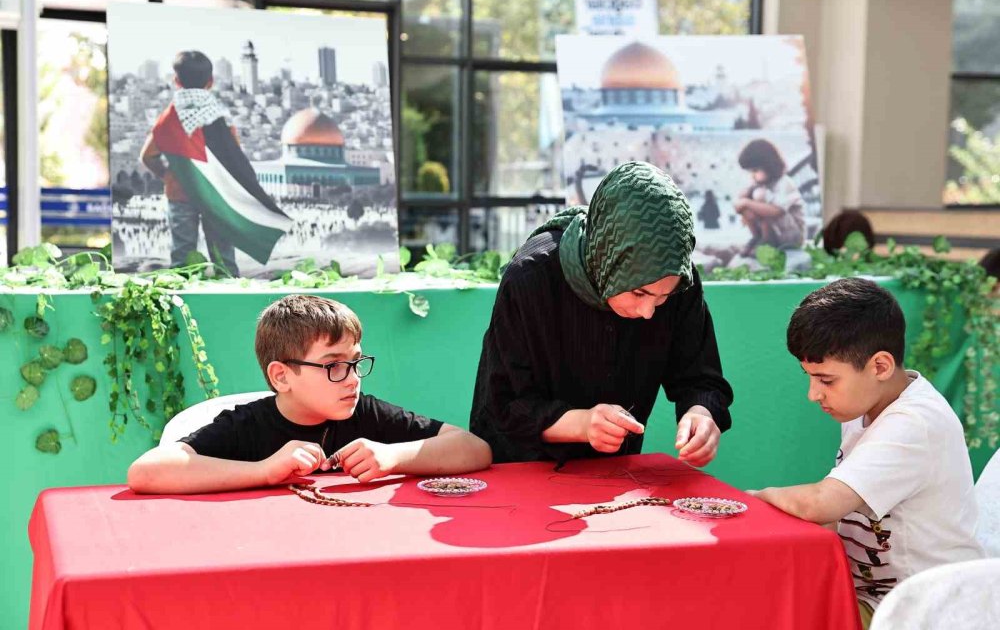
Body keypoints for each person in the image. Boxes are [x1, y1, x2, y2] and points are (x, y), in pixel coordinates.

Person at [749, 278, 985, 630]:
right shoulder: (866, 407)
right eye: (809, 378)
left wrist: (752, 500)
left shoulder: (914, 423)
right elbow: (833, 518)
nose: (814, 394)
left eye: (826, 381)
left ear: (879, 366)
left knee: (772, 625)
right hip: (875, 598)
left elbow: (822, 504)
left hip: (926, 613)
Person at [470, 161, 733, 466]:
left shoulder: (677, 280)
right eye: (639, 292)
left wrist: (701, 414)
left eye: (663, 297)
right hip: (519, 470)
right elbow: (503, 406)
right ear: (608, 259)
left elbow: (701, 378)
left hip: (612, 474)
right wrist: (582, 424)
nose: (649, 312)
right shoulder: (532, 277)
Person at [128, 295, 492, 494]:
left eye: (355, 362)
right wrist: (264, 471)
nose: (352, 379)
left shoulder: (365, 413)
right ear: (282, 376)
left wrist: (394, 456)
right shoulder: (246, 424)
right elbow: (146, 473)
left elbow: (475, 449)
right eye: (333, 365)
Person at [141, 51, 291, 277]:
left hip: (180, 196)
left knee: (182, 259)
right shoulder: (220, 118)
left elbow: (147, 155)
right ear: (210, 82)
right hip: (218, 198)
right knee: (223, 258)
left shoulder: (168, 119)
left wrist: (170, 176)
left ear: (176, 81)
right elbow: (233, 160)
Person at [734, 139, 805, 257]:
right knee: (748, 200)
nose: (752, 175)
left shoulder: (785, 183)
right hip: (776, 232)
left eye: (755, 170)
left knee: (758, 196)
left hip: (791, 236)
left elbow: (777, 211)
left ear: (769, 165)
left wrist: (747, 202)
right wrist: (744, 200)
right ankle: (758, 237)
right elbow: (740, 204)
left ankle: (767, 242)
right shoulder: (760, 184)